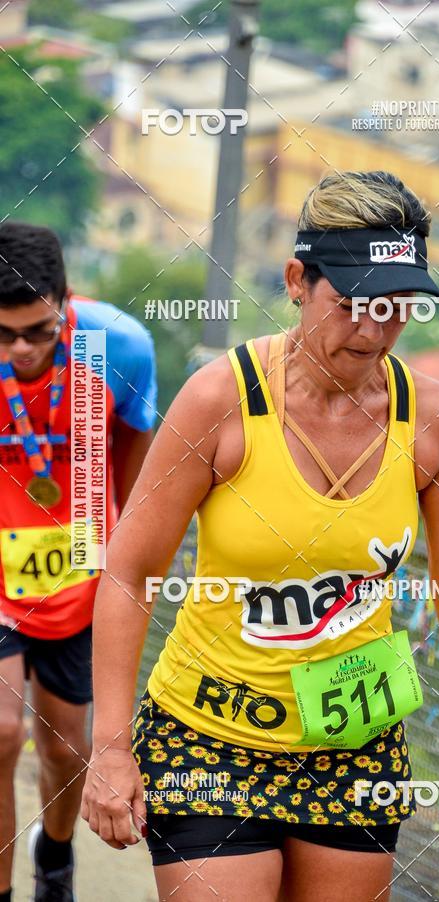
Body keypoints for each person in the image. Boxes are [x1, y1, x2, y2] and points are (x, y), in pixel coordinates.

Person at [81, 170, 439, 902]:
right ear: (296, 282)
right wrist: (111, 748)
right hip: (208, 735)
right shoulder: (222, 398)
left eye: (396, 307)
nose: (374, 331)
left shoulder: (432, 419)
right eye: (351, 306)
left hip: (355, 742)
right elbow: (130, 573)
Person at [0, 222, 157, 902]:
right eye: (3, 335)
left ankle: (55, 859)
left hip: (81, 577)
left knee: (65, 753)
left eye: (38, 330)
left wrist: (118, 573)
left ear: (67, 303)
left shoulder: (119, 346)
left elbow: (137, 488)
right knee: (0, 735)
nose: (22, 349)